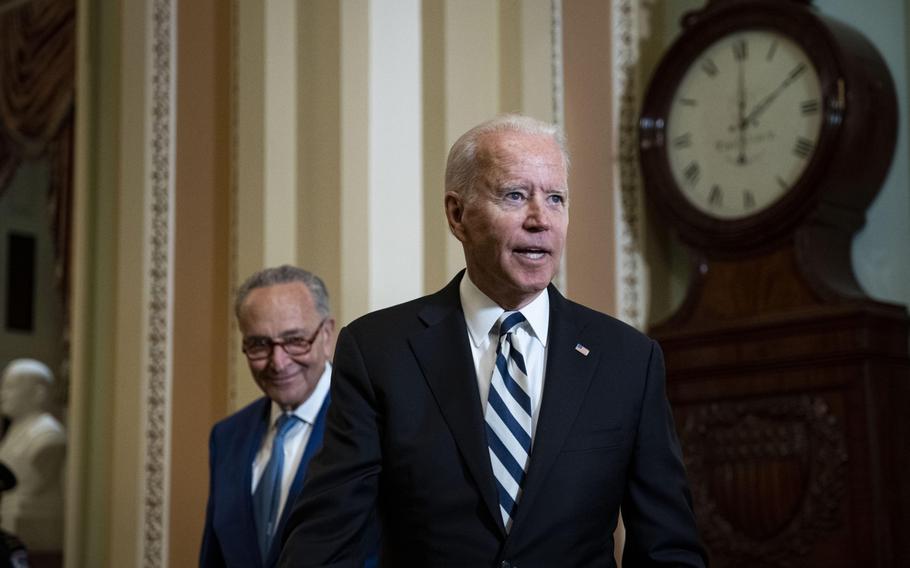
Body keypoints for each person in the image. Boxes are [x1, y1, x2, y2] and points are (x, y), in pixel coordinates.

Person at [279, 115, 707, 566]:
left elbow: (668, 547)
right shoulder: (378, 351)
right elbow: (327, 538)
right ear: (457, 215)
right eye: (515, 195)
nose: (540, 219)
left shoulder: (628, 360)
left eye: (556, 198)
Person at [200, 266, 337, 568]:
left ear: (326, 335)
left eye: (295, 340)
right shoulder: (227, 437)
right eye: (260, 344)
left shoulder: (372, 421)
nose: (278, 362)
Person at [0, 359, 66, 555]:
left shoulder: (48, 436)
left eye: (10, 387)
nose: (2, 395)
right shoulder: (14, 431)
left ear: (38, 393)